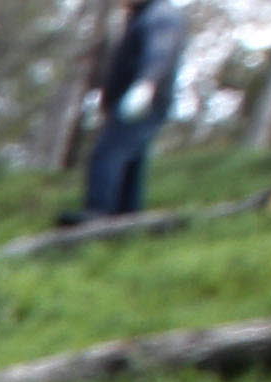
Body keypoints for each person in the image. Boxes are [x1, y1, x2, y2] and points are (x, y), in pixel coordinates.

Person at [83, 0, 188, 221]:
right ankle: (127, 218)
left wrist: (146, 84)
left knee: (108, 154)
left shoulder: (161, 15)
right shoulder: (140, 16)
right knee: (131, 160)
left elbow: (159, 52)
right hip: (133, 99)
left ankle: (97, 214)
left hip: (143, 100)